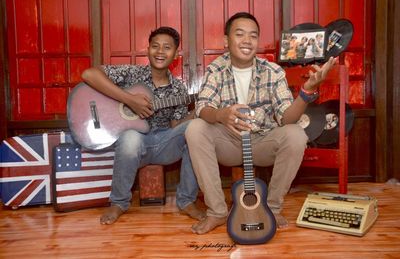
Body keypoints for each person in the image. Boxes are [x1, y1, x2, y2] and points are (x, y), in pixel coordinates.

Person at [185, 12, 336, 234]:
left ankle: (273, 208)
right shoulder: (215, 69)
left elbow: (287, 118)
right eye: (240, 34)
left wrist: (307, 92)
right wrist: (221, 115)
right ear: (226, 41)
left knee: (295, 134)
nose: (247, 40)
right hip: (230, 142)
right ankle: (217, 212)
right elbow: (202, 108)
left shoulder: (273, 71)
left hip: (262, 141)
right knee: (195, 129)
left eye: (253, 35)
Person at [81, 26, 204, 225]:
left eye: (167, 47)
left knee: (195, 130)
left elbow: (176, 125)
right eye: (155, 46)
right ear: (147, 49)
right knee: (131, 137)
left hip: (164, 143)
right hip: (133, 146)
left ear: (176, 55)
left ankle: (186, 201)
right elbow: (88, 74)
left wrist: (198, 110)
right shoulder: (131, 74)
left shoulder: (178, 89)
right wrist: (128, 99)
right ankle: (119, 202)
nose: (160, 52)